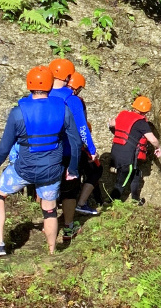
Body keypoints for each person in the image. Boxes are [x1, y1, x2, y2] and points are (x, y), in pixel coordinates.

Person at [0, 66, 81, 257]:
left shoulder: (18, 112)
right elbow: (76, 142)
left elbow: (4, 148)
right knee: (50, 210)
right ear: (51, 85)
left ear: (29, 85)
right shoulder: (63, 108)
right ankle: (52, 252)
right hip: (51, 171)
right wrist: (73, 168)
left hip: (23, 169)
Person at [48, 59, 96, 240]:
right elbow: (82, 128)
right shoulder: (72, 100)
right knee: (69, 192)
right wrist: (91, 149)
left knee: (48, 189)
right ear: (69, 77)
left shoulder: (41, 94)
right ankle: (68, 227)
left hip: (46, 152)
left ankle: (49, 225)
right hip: (68, 152)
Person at [109, 95, 161, 204]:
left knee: (136, 173)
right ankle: (111, 202)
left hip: (115, 152)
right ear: (146, 111)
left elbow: (111, 124)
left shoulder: (123, 114)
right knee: (121, 181)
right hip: (127, 156)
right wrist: (158, 147)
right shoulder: (141, 123)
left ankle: (135, 200)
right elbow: (152, 140)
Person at [68, 72, 103, 216]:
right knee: (95, 170)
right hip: (75, 146)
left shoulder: (51, 97)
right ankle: (81, 203)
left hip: (56, 146)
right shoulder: (76, 101)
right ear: (77, 87)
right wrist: (91, 149)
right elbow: (82, 127)